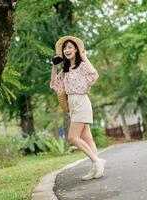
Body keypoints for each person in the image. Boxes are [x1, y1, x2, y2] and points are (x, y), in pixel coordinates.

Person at [50, 35, 106, 180]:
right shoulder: (66, 70)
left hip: (82, 102)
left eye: (70, 47)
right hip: (73, 105)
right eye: (65, 48)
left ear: (76, 49)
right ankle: (95, 169)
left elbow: (94, 75)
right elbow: (54, 84)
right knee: (87, 138)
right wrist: (55, 66)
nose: (67, 50)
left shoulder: (82, 66)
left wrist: (84, 57)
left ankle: (97, 161)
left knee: (73, 137)